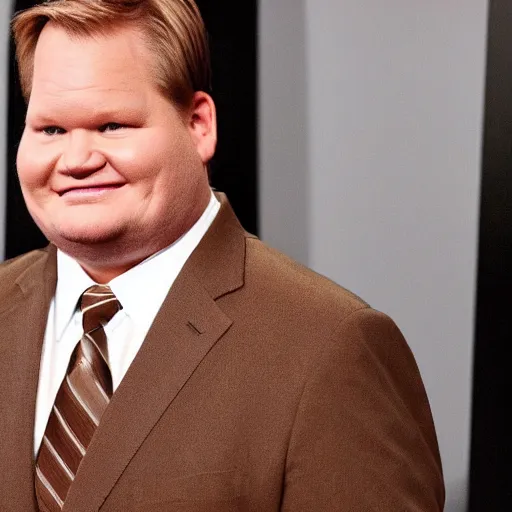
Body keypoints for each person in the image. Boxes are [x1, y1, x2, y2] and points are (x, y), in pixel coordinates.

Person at [0, 0, 445, 510]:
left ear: (198, 125)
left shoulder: (332, 348)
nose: (76, 160)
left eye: (112, 126)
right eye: (51, 129)